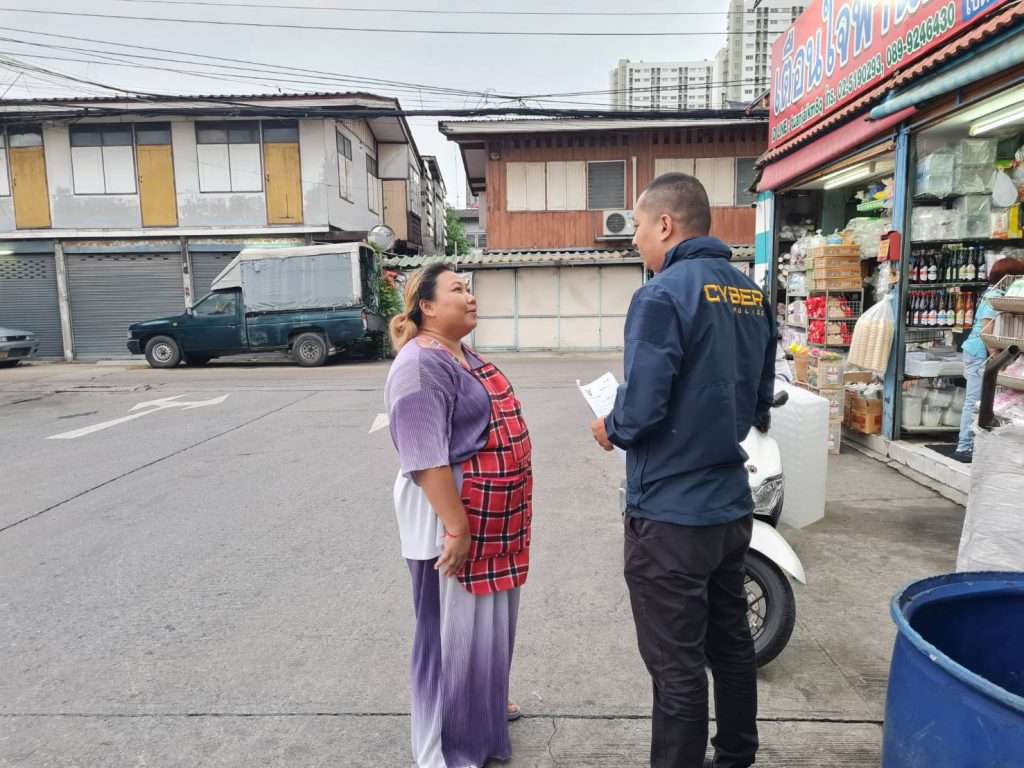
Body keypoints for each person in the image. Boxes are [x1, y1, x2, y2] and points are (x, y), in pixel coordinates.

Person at [591, 173, 776, 768]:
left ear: (666, 225)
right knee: (732, 645)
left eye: (638, 227)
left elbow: (642, 409)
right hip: (728, 506)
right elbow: (759, 402)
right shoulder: (751, 294)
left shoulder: (661, 294)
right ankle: (736, 757)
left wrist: (611, 426)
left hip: (671, 515)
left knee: (677, 668)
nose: (635, 239)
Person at [384, 262, 533, 768]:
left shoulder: (461, 354)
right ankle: (447, 747)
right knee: (449, 636)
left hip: (489, 515)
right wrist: (457, 527)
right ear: (427, 306)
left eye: (469, 288)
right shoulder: (419, 365)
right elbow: (425, 457)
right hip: (447, 517)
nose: (470, 297)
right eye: (457, 289)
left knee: (487, 628)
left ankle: (482, 715)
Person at [955, 257, 1024, 462]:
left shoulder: (992, 294)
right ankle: (964, 446)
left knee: (978, 400)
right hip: (978, 354)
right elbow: (986, 330)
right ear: (1009, 277)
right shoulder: (994, 297)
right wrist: (996, 358)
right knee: (974, 400)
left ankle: (973, 444)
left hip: (976, 352)